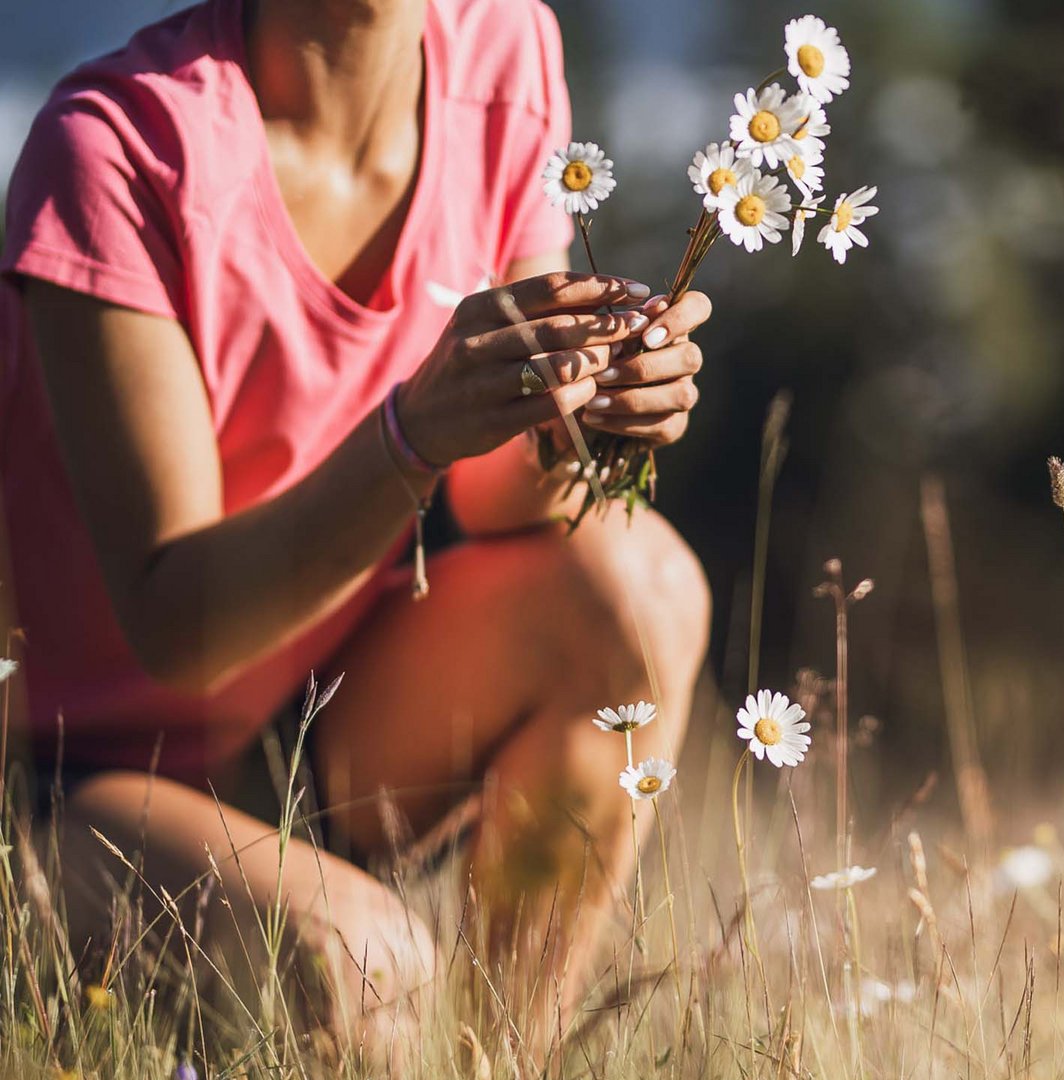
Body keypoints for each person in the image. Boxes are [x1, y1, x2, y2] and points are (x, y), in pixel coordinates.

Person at [0, 0, 709, 1054]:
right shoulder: (117, 146)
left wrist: (592, 420)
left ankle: (504, 1062)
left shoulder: (504, 50)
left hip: (321, 715)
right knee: (361, 971)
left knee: (637, 587)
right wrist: (410, 434)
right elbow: (175, 631)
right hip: (75, 783)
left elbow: (501, 499)